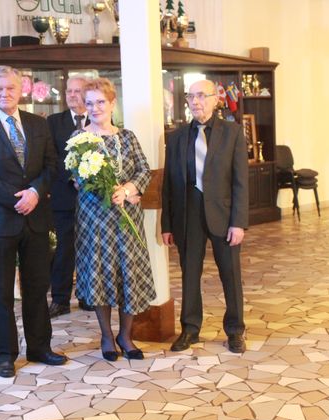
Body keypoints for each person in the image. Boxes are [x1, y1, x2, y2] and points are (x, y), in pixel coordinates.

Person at [0, 65, 68, 379]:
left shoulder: (38, 124)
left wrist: (35, 192)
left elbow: (51, 164)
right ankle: (4, 355)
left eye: (10, 88)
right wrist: (17, 198)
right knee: (1, 293)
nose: (4, 94)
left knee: (37, 287)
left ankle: (39, 347)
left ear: (21, 89)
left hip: (35, 219)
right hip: (0, 222)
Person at [161, 79, 248, 354]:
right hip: (188, 214)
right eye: (191, 96)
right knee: (189, 274)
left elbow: (240, 181)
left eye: (201, 96)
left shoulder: (232, 133)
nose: (195, 101)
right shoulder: (176, 137)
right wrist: (167, 224)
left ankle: (235, 330)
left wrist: (238, 222)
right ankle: (190, 329)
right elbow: (169, 184)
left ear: (215, 100)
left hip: (223, 215)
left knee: (230, 274)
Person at [74, 77, 155, 361]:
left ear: (112, 103)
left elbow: (144, 170)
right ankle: (107, 336)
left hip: (126, 219)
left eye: (100, 102)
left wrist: (128, 190)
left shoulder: (128, 137)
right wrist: (106, 190)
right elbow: (77, 178)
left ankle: (126, 336)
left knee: (127, 273)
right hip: (95, 219)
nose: (95, 108)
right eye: (89, 103)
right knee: (102, 273)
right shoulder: (79, 139)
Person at [46, 75, 91, 318]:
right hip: (64, 196)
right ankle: (60, 299)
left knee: (89, 248)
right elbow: (51, 157)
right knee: (65, 249)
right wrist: (72, 178)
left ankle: (87, 296)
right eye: (69, 91)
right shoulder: (54, 122)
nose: (72, 95)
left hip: (93, 198)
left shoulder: (98, 119)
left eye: (77, 91)